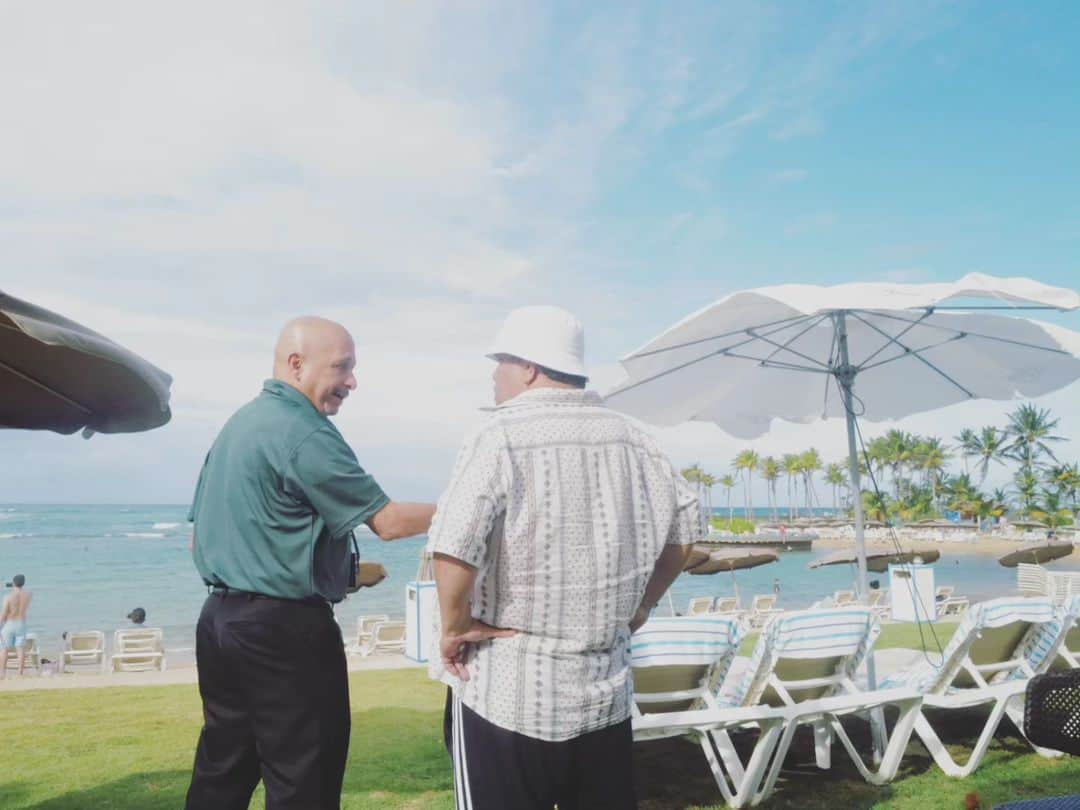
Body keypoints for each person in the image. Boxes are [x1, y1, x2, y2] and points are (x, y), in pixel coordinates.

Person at [428, 305, 700, 810]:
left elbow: (453, 546)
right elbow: (685, 532)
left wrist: (454, 627)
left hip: (510, 694)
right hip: (603, 696)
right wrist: (642, 606)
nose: (493, 375)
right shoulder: (636, 439)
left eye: (500, 362)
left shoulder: (499, 434)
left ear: (529, 367)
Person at [184, 316, 436, 810]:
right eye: (342, 367)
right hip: (283, 633)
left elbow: (201, 542)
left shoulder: (237, 426)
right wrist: (473, 503)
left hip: (219, 624)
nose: (352, 382)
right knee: (306, 780)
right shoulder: (303, 430)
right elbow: (387, 522)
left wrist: (334, 572)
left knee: (223, 772)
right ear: (296, 365)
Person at [0, 574, 32, 678]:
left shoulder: (8, 597)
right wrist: (15, 586)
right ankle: (20, 673)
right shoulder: (27, 595)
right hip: (21, 623)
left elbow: (4, 613)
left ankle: (2, 673)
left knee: (4, 648)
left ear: (13, 583)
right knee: (20, 648)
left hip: (10, 623)